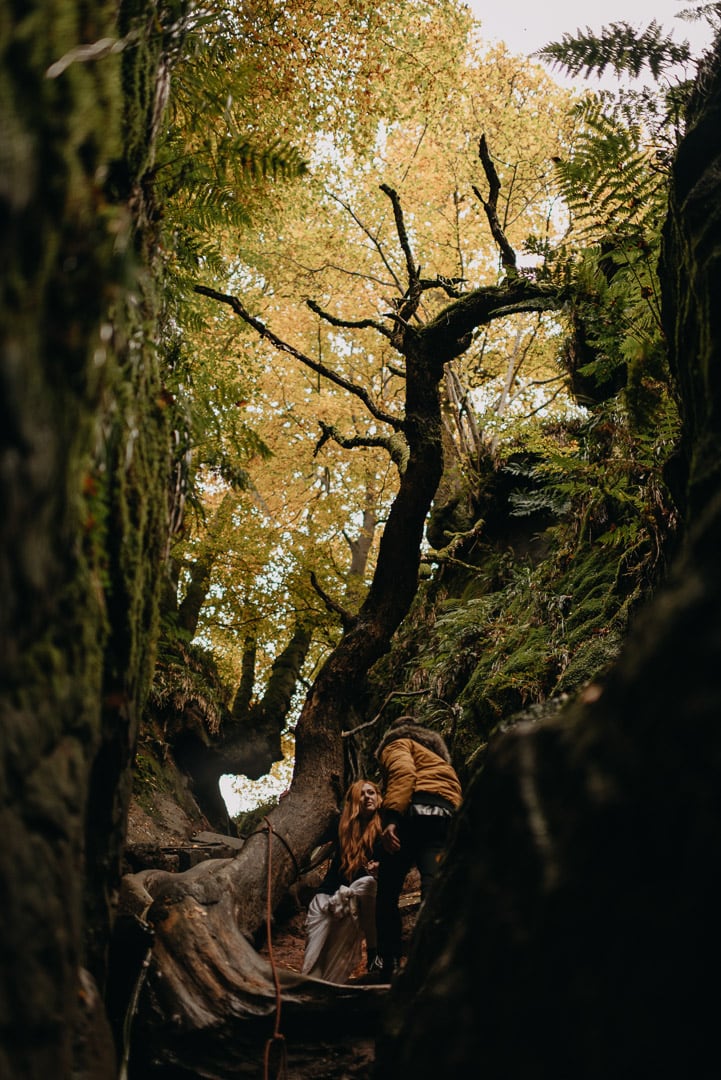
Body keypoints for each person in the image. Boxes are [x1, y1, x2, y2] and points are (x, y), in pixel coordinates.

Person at [371, 716, 462, 981]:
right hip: (445, 821)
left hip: (412, 816)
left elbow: (403, 773)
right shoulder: (441, 761)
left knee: (387, 893)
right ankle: (434, 957)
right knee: (434, 887)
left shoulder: (398, 743)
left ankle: (390, 963)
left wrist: (390, 821)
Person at [301, 779, 383, 983]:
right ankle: (314, 988)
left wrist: (380, 866)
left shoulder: (384, 827)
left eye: (371, 793)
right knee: (313, 967)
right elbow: (309, 837)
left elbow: (396, 858)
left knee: (368, 885)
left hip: (358, 895)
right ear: (354, 801)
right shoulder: (341, 824)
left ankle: (374, 956)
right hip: (328, 894)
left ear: (379, 797)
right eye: (362, 794)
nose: (367, 797)